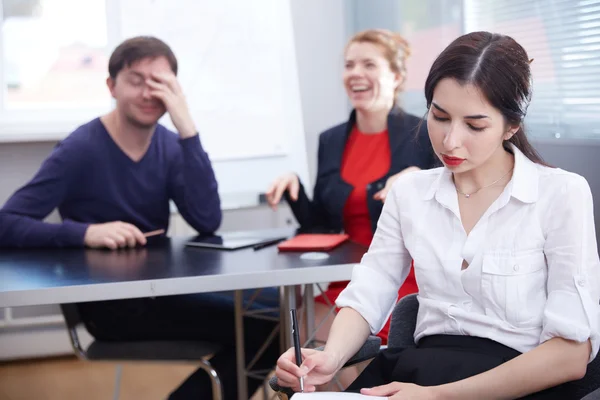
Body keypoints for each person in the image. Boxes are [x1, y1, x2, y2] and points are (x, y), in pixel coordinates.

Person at [275, 31, 600, 400]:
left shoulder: (560, 193)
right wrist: (331, 357)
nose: (449, 141)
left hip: (516, 383)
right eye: (439, 116)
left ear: (511, 126)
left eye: (474, 126)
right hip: (417, 375)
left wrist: (440, 397)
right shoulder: (410, 194)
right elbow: (371, 289)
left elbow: (572, 355)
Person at [0, 36, 278, 399]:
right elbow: (7, 223)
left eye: (160, 82)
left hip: (163, 291)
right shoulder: (80, 148)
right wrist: (85, 233)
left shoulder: (170, 144)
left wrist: (187, 128)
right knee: (267, 328)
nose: (149, 92)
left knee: (274, 308)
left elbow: (206, 219)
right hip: (114, 307)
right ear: (111, 86)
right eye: (137, 80)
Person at [266, 29, 438, 387]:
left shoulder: (425, 134)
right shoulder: (331, 140)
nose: (355, 73)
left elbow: (449, 207)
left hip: (400, 276)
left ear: (396, 76)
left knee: (350, 362)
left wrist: (419, 178)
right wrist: (295, 191)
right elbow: (322, 225)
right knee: (291, 347)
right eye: (349, 65)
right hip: (345, 276)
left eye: (368, 64)